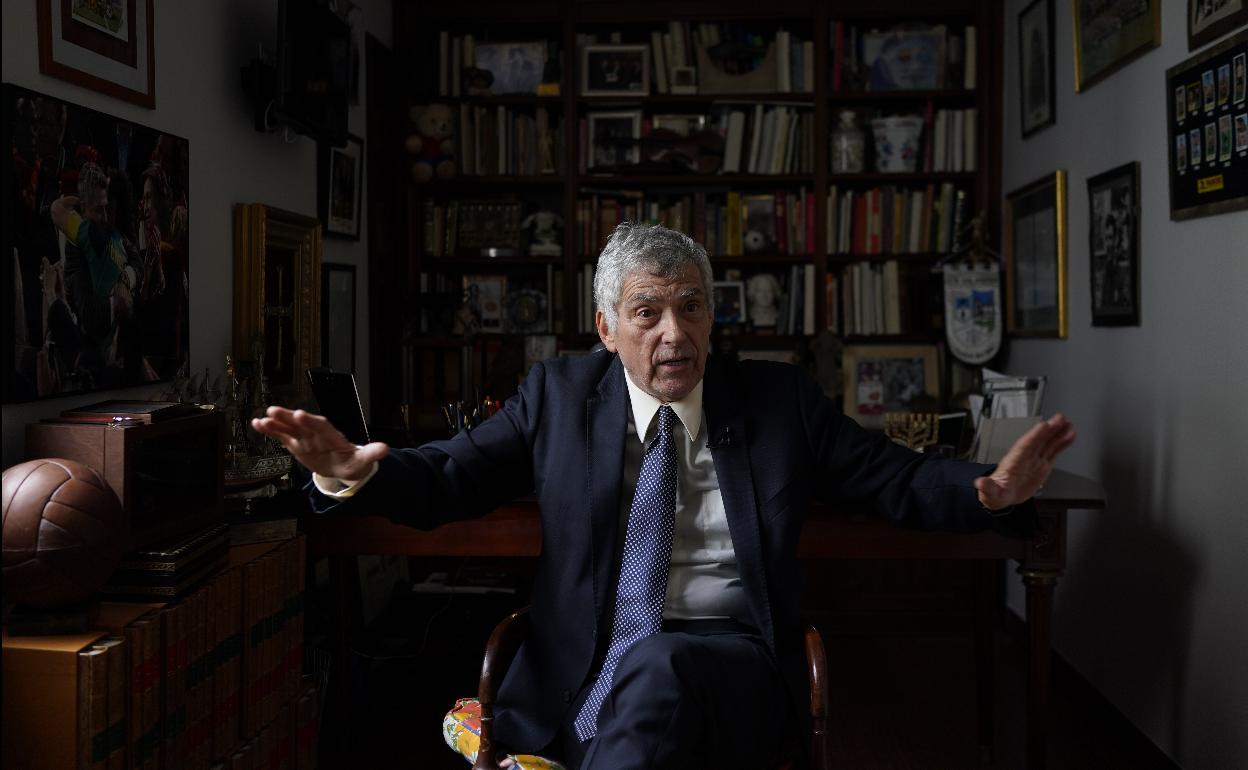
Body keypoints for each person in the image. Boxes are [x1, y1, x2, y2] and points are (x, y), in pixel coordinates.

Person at [253, 223, 1075, 770]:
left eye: (690, 308)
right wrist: (351, 470)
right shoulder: (557, 397)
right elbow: (448, 478)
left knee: (660, 665)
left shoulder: (778, 402)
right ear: (606, 328)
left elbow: (892, 476)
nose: (673, 333)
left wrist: (991, 491)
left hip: (736, 666)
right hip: (577, 679)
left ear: (713, 317)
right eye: (646, 312)